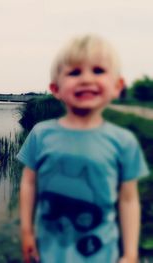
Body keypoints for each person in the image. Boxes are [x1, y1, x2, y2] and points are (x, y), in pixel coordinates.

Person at [17, 34, 149, 263]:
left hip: (101, 254)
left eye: (98, 70)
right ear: (56, 88)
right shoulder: (40, 133)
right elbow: (29, 183)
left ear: (117, 86)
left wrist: (130, 253)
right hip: (48, 252)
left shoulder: (124, 141)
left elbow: (129, 199)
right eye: (74, 72)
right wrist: (27, 232)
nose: (86, 79)